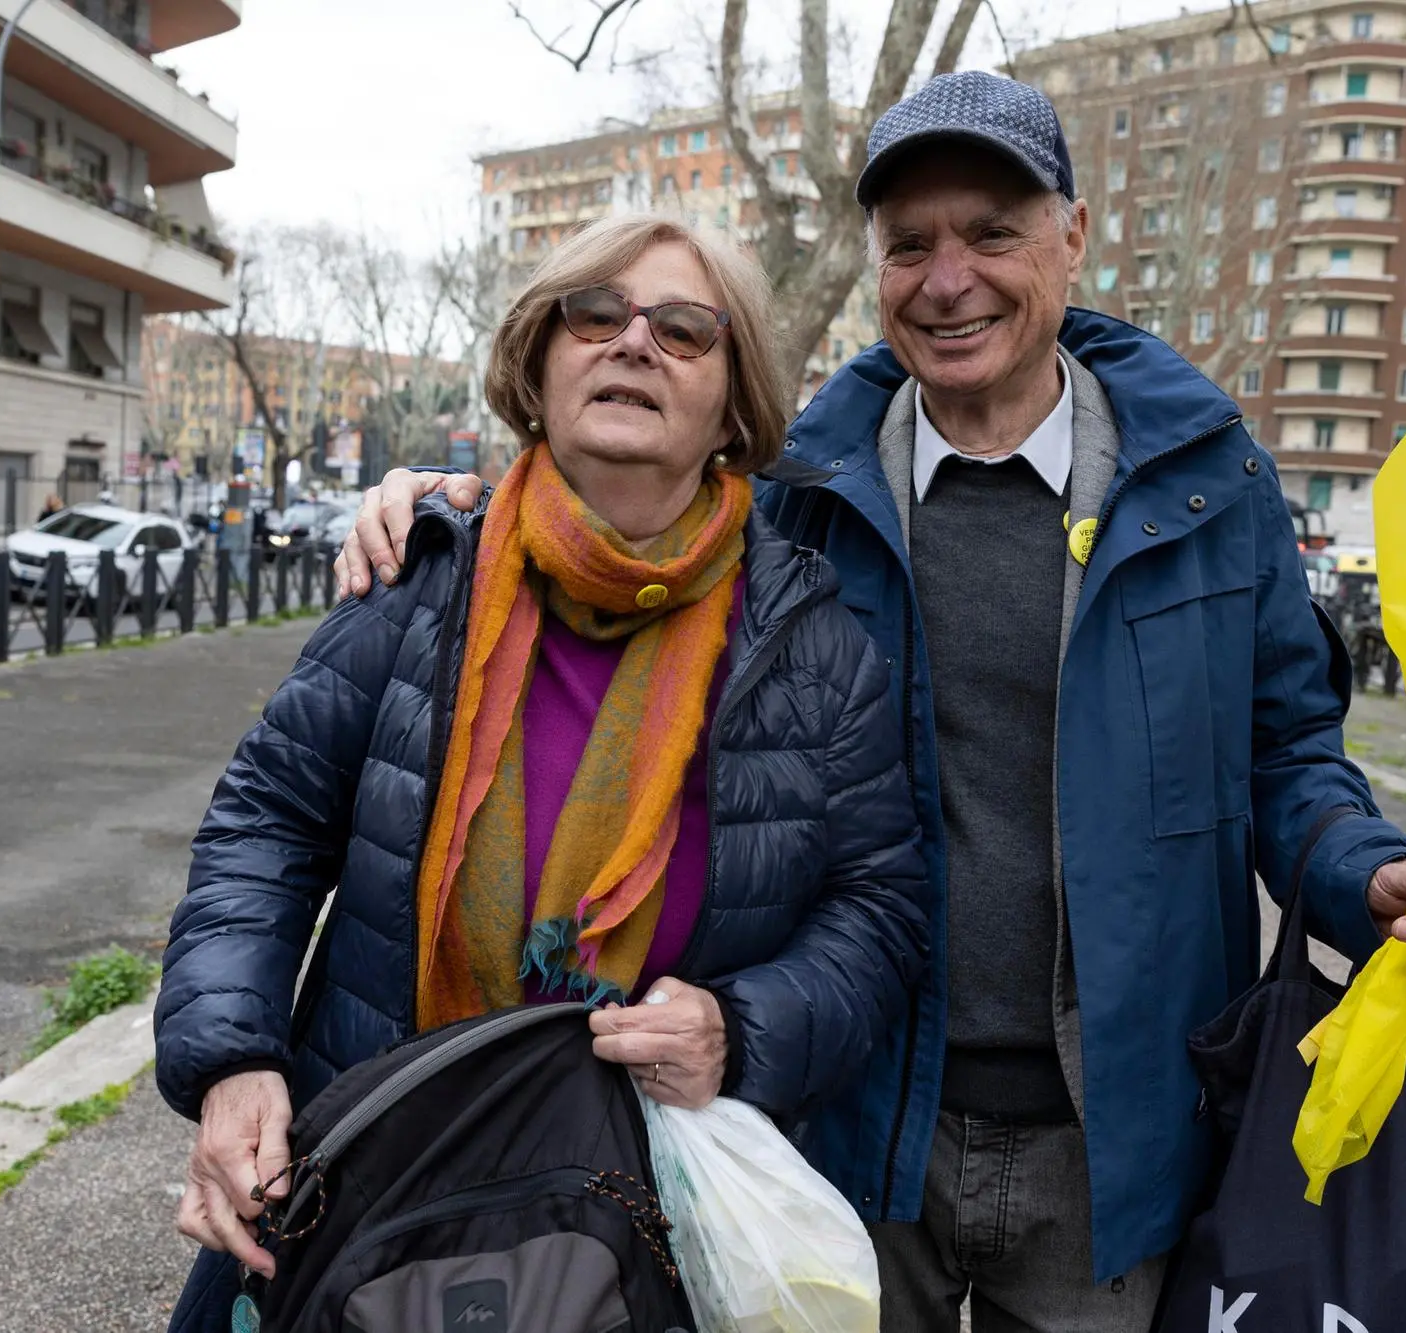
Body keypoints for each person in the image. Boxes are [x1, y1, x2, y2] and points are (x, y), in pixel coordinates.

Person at [339, 72, 1406, 1333]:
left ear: (1073, 236)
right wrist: (451, 507)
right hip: (844, 1117)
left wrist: (1357, 868)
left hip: (1113, 1134)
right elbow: (616, 510)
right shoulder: (794, 493)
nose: (949, 282)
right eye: (909, 246)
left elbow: (1285, 752)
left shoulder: (1208, 485)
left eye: (992, 233)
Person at [156, 215, 930, 1333]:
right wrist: (234, 1060)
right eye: (596, 313)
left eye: (683, 329)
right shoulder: (416, 577)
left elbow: (882, 907)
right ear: (539, 356)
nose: (632, 344)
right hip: (370, 1175)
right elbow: (264, 826)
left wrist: (743, 1030)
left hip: (638, 1225)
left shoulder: (811, 642)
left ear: (733, 402)